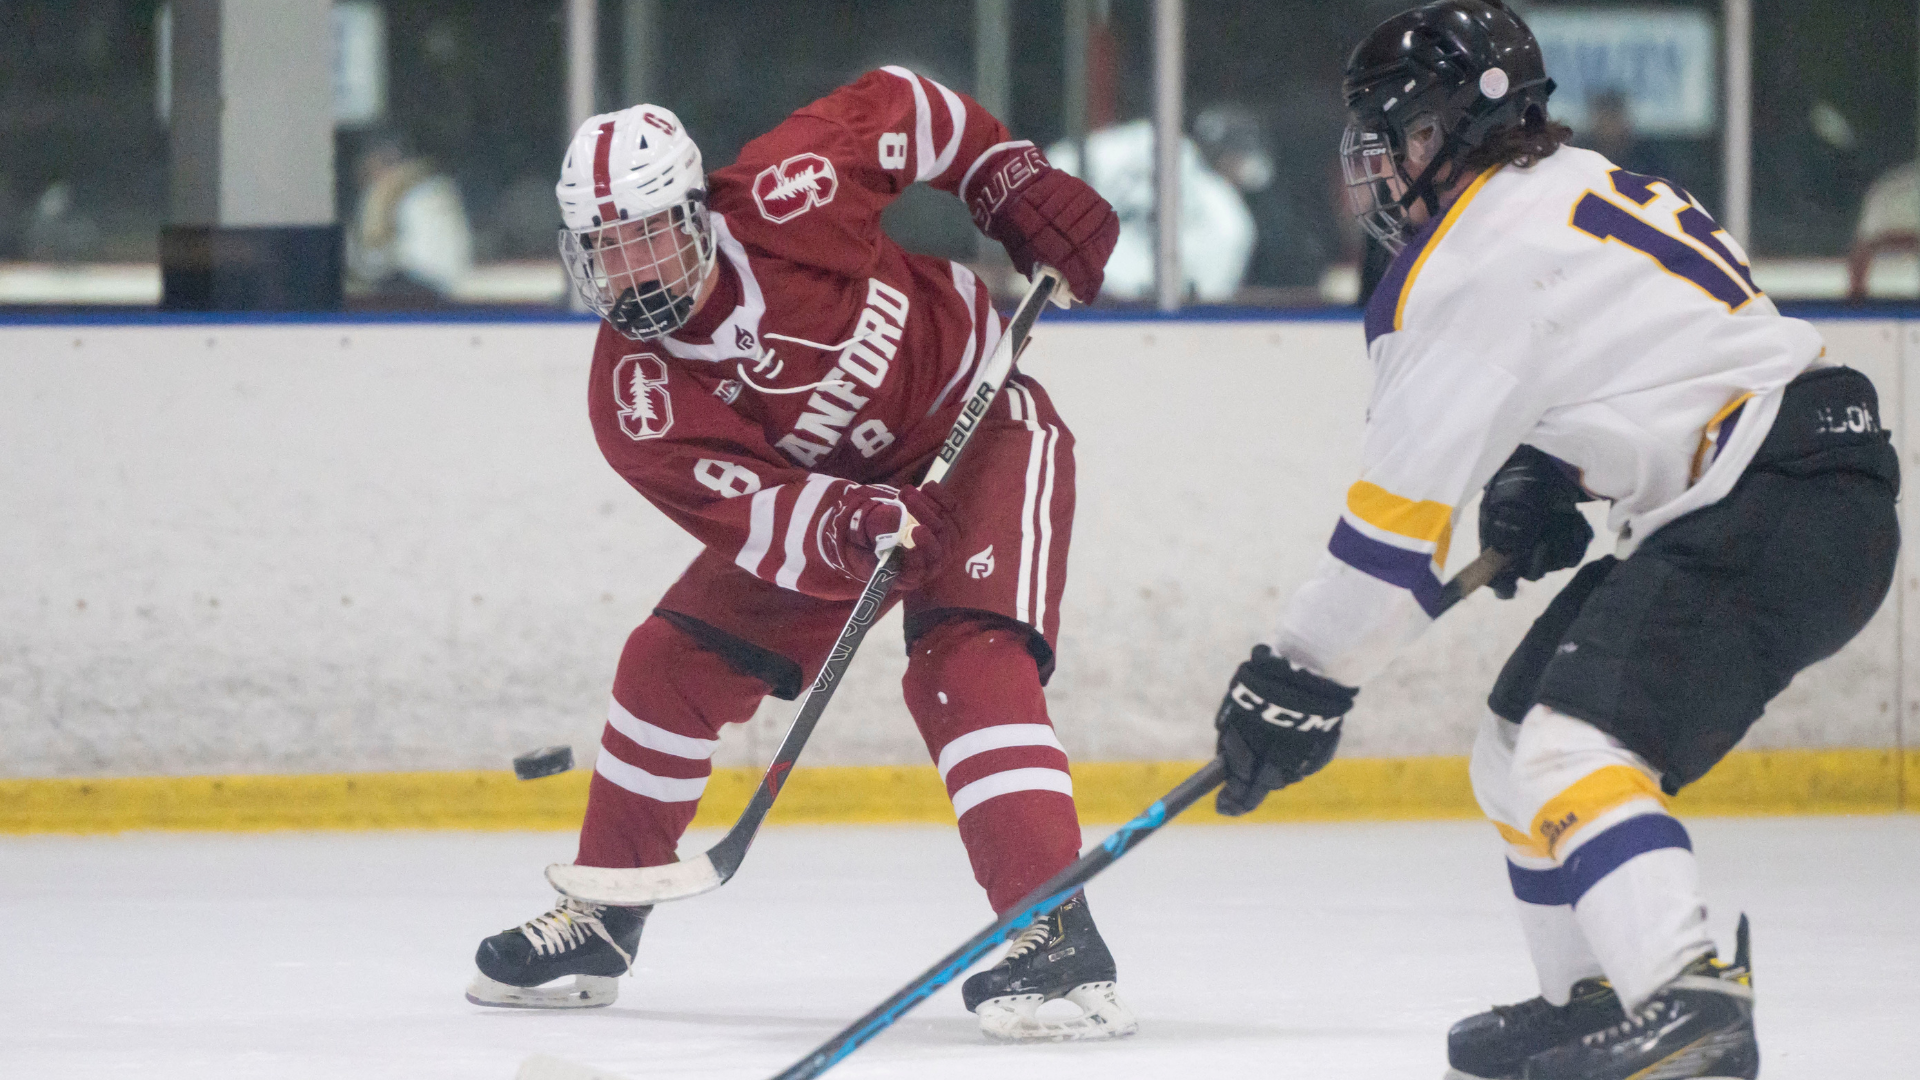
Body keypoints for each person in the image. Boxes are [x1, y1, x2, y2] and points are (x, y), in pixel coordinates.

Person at [1206, 3, 1898, 1079]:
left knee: (1576, 749)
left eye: (1408, 134)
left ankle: (1688, 1000)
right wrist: (1556, 470)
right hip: (1786, 484)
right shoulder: (1574, 185)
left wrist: (1298, 676)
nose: (1383, 166)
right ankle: (1591, 998)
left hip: (1773, 500)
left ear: (1473, 123)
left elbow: (1389, 554)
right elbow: (1662, 350)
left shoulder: (1470, 260)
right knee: (1515, 739)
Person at [463, 68, 1132, 1043]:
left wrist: (1005, 178)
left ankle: (1054, 928)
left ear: (697, 213)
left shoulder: (792, 186)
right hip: (846, 508)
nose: (632, 271)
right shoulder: (636, 397)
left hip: (982, 428)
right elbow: (762, 516)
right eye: (606, 250)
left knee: (966, 665)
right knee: (667, 665)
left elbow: (909, 105)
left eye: (649, 236)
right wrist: (853, 522)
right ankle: (605, 912)